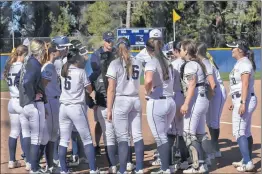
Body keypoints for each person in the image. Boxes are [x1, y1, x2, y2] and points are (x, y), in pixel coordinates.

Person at [106, 37, 144, 174]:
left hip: (121, 100)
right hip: (135, 99)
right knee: (138, 136)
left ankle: (122, 170)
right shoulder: (138, 62)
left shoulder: (115, 63)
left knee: (123, 137)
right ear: (129, 47)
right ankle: (139, 169)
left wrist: (109, 108)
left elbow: (111, 89)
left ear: (117, 48)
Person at [58, 48, 99, 173]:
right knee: (87, 139)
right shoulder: (80, 72)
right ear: (76, 59)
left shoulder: (63, 70)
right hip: (76, 108)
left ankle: (64, 170)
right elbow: (90, 90)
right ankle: (93, 169)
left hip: (63, 107)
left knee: (64, 140)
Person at [144, 37, 177, 173]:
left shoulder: (152, 62)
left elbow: (148, 80)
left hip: (157, 102)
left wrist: (147, 90)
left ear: (148, 49)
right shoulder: (167, 61)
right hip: (170, 102)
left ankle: (165, 169)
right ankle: (168, 166)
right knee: (164, 135)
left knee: (160, 137)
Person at [15, 39, 47, 173]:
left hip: (24, 104)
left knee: (29, 135)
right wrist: (33, 95)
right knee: (36, 138)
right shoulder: (34, 63)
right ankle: (34, 168)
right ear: (39, 49)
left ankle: (32, 165)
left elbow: (17, 80)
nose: (45, 50)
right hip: (32, 105)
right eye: (44, 48)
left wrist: (25, 95)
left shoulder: (27, 62)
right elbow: (27, 81)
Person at [226, 40, 257, 172]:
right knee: (246, 131)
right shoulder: (240, 63)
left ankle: (248, 162)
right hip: (241, 99)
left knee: (239, 132)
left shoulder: (244, 63)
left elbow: (244, 84)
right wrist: (234, 102)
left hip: (245, 99)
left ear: (240, 50)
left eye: (233, 48)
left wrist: (242, 102)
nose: (231, 50)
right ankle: (246, 159)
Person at [179, 39, 209, 173]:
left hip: (196, 100)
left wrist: (186, 103)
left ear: (186, 51)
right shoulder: (198, 63)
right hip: (202, 99)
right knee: (201, 133)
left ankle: (197, 166)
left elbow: (191, 84)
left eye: (181, 49)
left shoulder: (190, 64)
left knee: (188, 134)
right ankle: (205, 162)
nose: (180, 51)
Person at [196, 43, 227, 161]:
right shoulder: (204, 61)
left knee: (213, 122)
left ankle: (216, 149)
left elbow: (212, 85)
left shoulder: (205, 62)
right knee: (209, 122)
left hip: (216, 93)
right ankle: (214, 148)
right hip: (212, 93)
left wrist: (208, 99)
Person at [37, 42, 61, 173]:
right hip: (51, 102)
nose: (60, 52)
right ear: (52, 52)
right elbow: (43, 85)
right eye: (57, 50)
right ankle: (47, 165)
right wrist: (44, 103)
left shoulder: (48, 65)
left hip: (51, 101)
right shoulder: (49, 66)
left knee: (50, 136)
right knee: (51, 136)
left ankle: (48, 164)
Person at [4, 45, 28, 169]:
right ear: (23, 54)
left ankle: (12, 161)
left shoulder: (10, 66)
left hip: (12, 102)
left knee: (14, 132)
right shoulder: (23, 67)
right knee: (25, 132)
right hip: (21, 102)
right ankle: (29, 162)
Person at [168, 40, 190, 170]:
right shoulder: (190, 63)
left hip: (176, 96)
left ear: (176, 51)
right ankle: (185, 159)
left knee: (171, 131)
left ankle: (170, 163)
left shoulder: (173, 64)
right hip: (187, 98)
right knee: (183, 131)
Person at [51, 36, 72, 165]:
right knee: (57, 131)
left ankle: (56, 156)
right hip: (55, 98)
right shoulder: (58, 62)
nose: (67, 48)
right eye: (65, 47)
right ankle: (55, 157)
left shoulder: (58, 60)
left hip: (58, 97)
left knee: (58, 130)